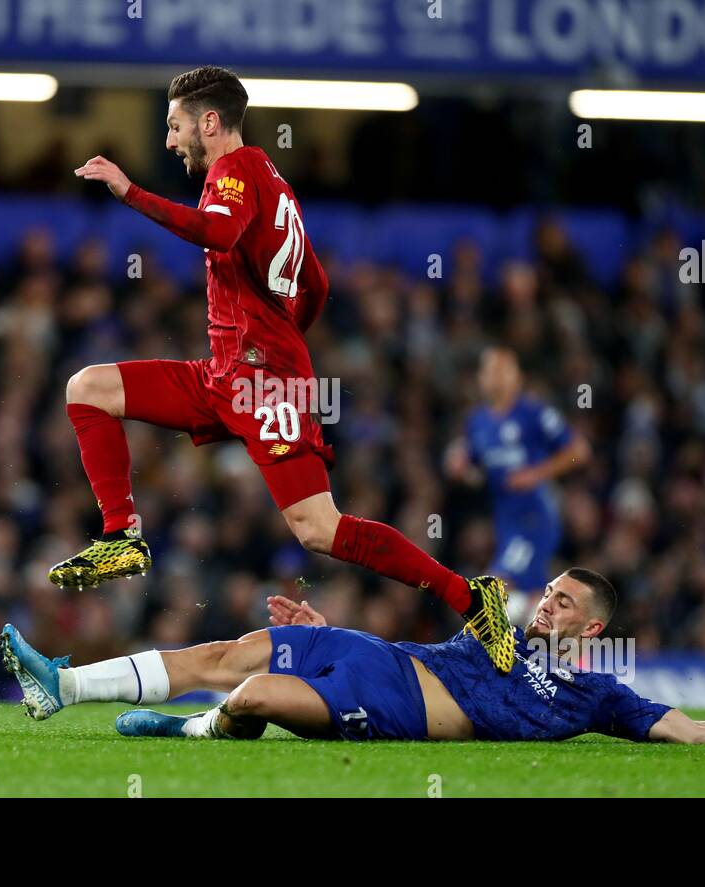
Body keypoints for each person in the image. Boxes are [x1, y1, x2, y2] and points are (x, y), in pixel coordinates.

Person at [60, 65, 508, 667]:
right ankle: (121, 537)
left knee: (318, 529)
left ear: (209, 122)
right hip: (228, 372)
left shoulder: (236, 170)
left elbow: (218, 233)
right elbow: (315, 282)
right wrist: (281, 334)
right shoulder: (271, 179)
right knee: (89, 388)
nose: (169, 141)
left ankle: (470, 596)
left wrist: (129, 192)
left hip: (263, 383)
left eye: (174, 126)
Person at [0, 567, 705, 745]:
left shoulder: (599, 696)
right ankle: (61, 685)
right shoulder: (503, 629)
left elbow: (690, 728)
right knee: (230, 649)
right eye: (551, 589)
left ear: (592, 628)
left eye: (567, 600)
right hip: (372, 649)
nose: (550, 601)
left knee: (258, 696)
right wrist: (327, 621)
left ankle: (193, 732)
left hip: (402, 711)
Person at [446, 347, 589, 614]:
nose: (496, 377)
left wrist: (536, 473)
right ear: (481, 378)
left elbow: (579, 452)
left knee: (493, 592)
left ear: (517, 377)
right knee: (531, 599)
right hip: (506, 522)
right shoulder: (477, 423)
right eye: (489, 370)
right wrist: (459, 468)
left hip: (534, 517)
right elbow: (476, 475)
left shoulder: (534, 413)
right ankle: (563, 650)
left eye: (502, 370)